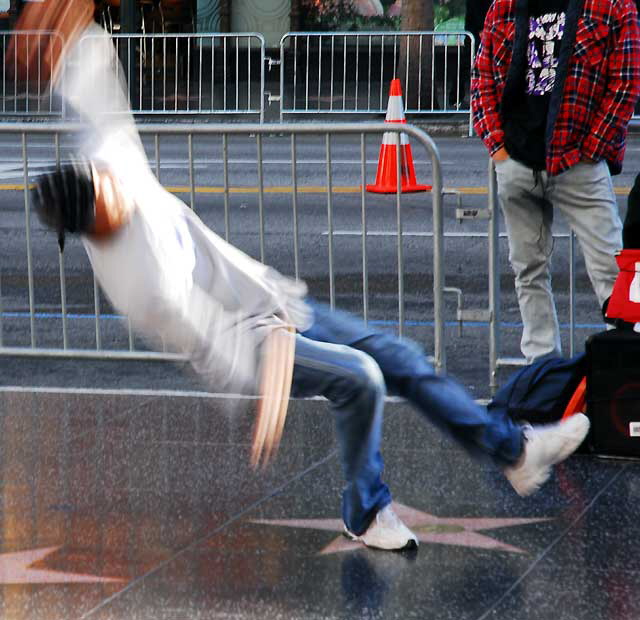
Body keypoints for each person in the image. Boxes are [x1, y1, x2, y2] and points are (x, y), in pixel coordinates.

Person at [25, 4, 590, 553]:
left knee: (398, 357)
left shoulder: (108, 160)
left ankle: (515, 453)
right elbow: (211, 341)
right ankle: (366, 512)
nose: (120, 192)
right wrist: (271, 389)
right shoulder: (137, 283)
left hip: (271, 299)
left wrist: (63, 22)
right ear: (94, 223)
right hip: (254, 342)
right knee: (362, 379)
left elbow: (96, 79)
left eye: (109, 184)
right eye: (109, 201)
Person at [471, 0, 640, 363]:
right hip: (517, 162)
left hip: (578, 162)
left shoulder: (611, 6)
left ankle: (626, 372)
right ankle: (542, 368)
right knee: (528, 271)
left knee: (615, 271)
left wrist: (592, 149)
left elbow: (626, 84)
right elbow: (482, 78)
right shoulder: (504, 6)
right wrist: (498, 148)